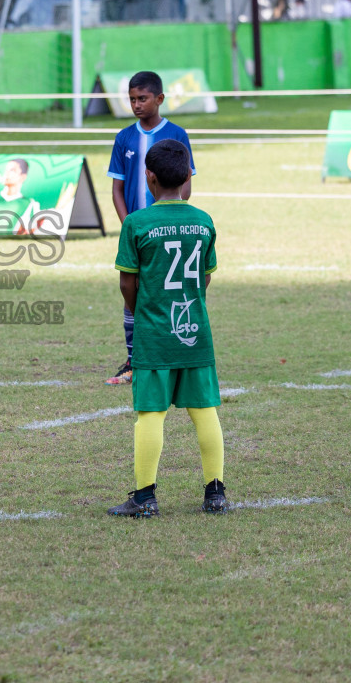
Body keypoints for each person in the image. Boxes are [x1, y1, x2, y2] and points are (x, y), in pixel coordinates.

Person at [107, 139, 227, 517]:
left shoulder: (136, 222)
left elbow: (128, 282)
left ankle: (144, 497)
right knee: (205, 410)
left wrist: (141, 309)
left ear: (149, 177)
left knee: (151, 413)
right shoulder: (203, 220)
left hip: (155, 333)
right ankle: (216, 493)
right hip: (195, 330)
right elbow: (205, 278)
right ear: (188, 175)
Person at [105, 71, 194, 386]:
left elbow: (186, 183)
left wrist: (173, 219)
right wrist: (129, 225)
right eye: (131, 99)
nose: (136, 104)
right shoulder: (124, 138)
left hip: (168, 232)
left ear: (159, 99)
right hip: (138, 232)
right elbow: (117, 189)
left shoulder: (176, 135)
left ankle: (173, 353)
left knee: (168, 291)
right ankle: (133, 360)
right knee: (132, 290)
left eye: (142, 98)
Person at [0, 158, 40, 235]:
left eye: (12, 170)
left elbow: (30, 231)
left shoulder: (28, 203)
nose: (6, 173)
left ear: (23, 177)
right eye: (6, 170)